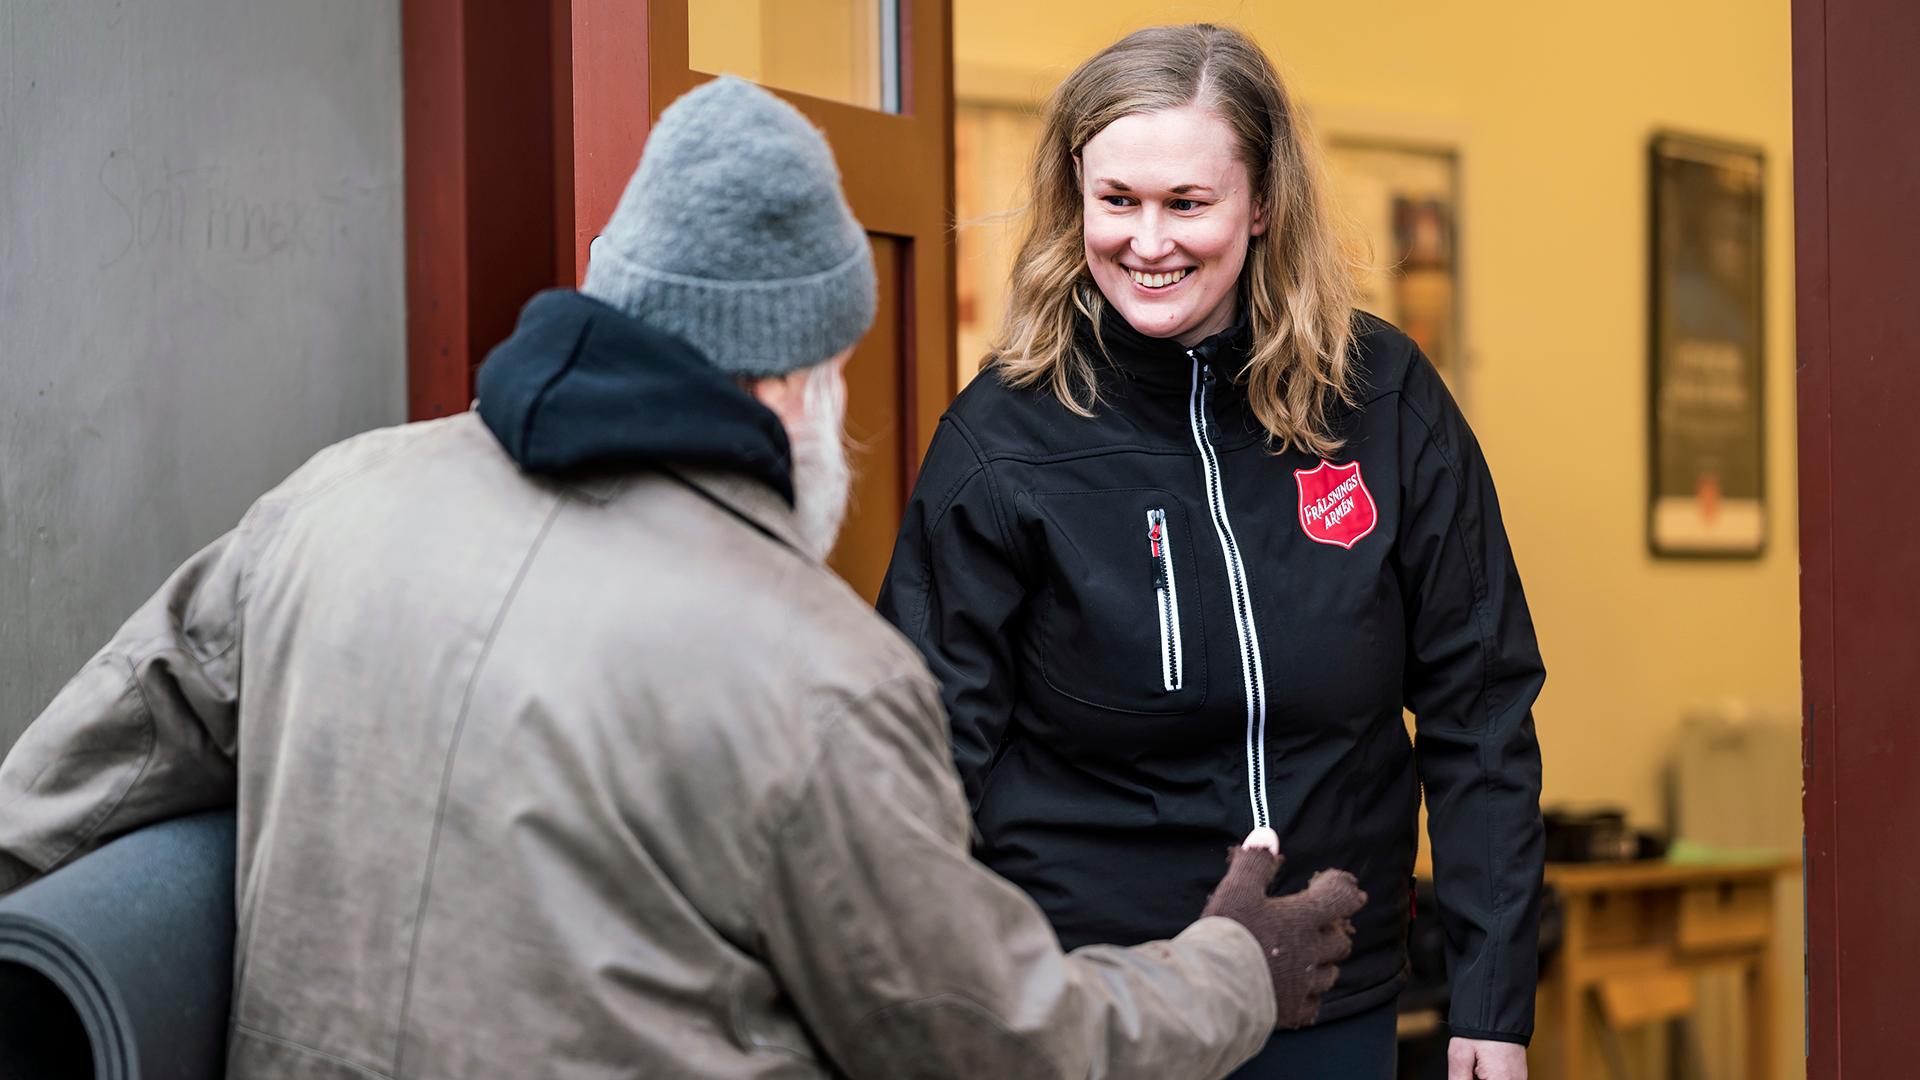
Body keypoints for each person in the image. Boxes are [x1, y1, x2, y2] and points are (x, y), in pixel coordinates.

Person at [0, 77, 1365, 1079]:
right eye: (834, 370)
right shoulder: (815, 668)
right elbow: (997, 1046)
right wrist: (1232, 968)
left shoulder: (329, 500)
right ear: (795, 379)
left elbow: (64, 790)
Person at [878, 25, 1546, 1080]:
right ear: (1075, 200)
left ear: (1263, 201)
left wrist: (1493, 1003)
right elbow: (919, 763)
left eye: (1187, 203)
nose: (1149, 242)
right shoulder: (1002, 439)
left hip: (1334, 1004)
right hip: (1095, 1012)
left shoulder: (1381, 397)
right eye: (1117, 202)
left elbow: (1482, 708)